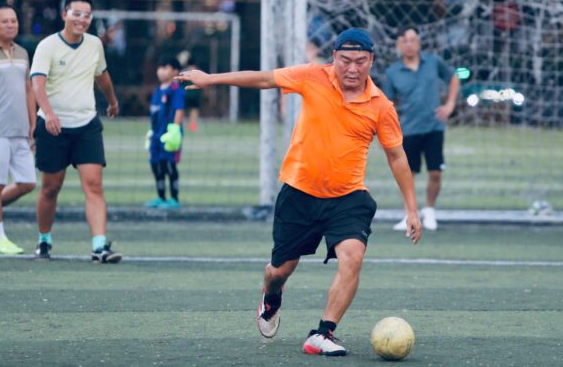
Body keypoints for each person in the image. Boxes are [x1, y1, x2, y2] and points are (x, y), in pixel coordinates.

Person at [175, 28, 421, 357]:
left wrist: (412, 209)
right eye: (345, 60)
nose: (352, 68)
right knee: (279, 271)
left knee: (353, 257)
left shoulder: (381, 106)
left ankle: (323, 333)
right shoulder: (312, 75)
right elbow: (264, 78)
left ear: (372, 61)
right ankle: (271, 294)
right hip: (299, 193)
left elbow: (397, 156)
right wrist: (211, 79)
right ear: (333, 57)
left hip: (348, 197)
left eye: (360, 61)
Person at [30, 0, 122, 263]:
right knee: (50, 188)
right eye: (77, 14)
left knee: (94, 186)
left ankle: (99, 246)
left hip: (86, 125)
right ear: (65, 15)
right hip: (54, 127)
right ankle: (44, 240)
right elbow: (37, 84)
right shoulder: (47, 46)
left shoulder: (94, 45)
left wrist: (113, 102)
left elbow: (102, 76)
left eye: (87, 15)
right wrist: (49, 114)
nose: (82, 19)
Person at [382, 27, 459, 231]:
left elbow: (453, 78)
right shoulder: (392, 72)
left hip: (434, 127)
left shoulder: (433, 62)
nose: (409, 44)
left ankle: (430, 210)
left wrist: (450, 105)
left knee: (435, 172)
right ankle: (409, 213)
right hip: (408, 130)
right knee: (408, 174)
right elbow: (386, 102)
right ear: (399, 45)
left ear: (419, 42)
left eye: (412, 40)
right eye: (404, 41)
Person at [0, 4, 37, 254]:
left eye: (14, 20)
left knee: (28, 182)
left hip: (20, 130)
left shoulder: (22, 52)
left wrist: (33, 123)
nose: (11, 24)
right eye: (5, 21)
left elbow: (28, 89)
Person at [144, 56, 185, 209]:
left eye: (165, 67)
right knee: (156, 165)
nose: (161, 71)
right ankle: (161, 197)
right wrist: (151, 131)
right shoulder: (157, 90)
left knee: (169, 165)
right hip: (156, 135)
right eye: (159, 67)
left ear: (175, 71)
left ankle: (174, 199)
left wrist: (175, 130)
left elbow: (179, 110)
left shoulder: (176, 90)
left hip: (169, 135)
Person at [183, 56, 202, 132]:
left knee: (182, 111)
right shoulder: (199, 72)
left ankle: (182, 126)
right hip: (195, 95)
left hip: (185, 94)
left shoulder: (184, 72)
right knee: (194, 112)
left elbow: (179, 83)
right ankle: (192, 128)